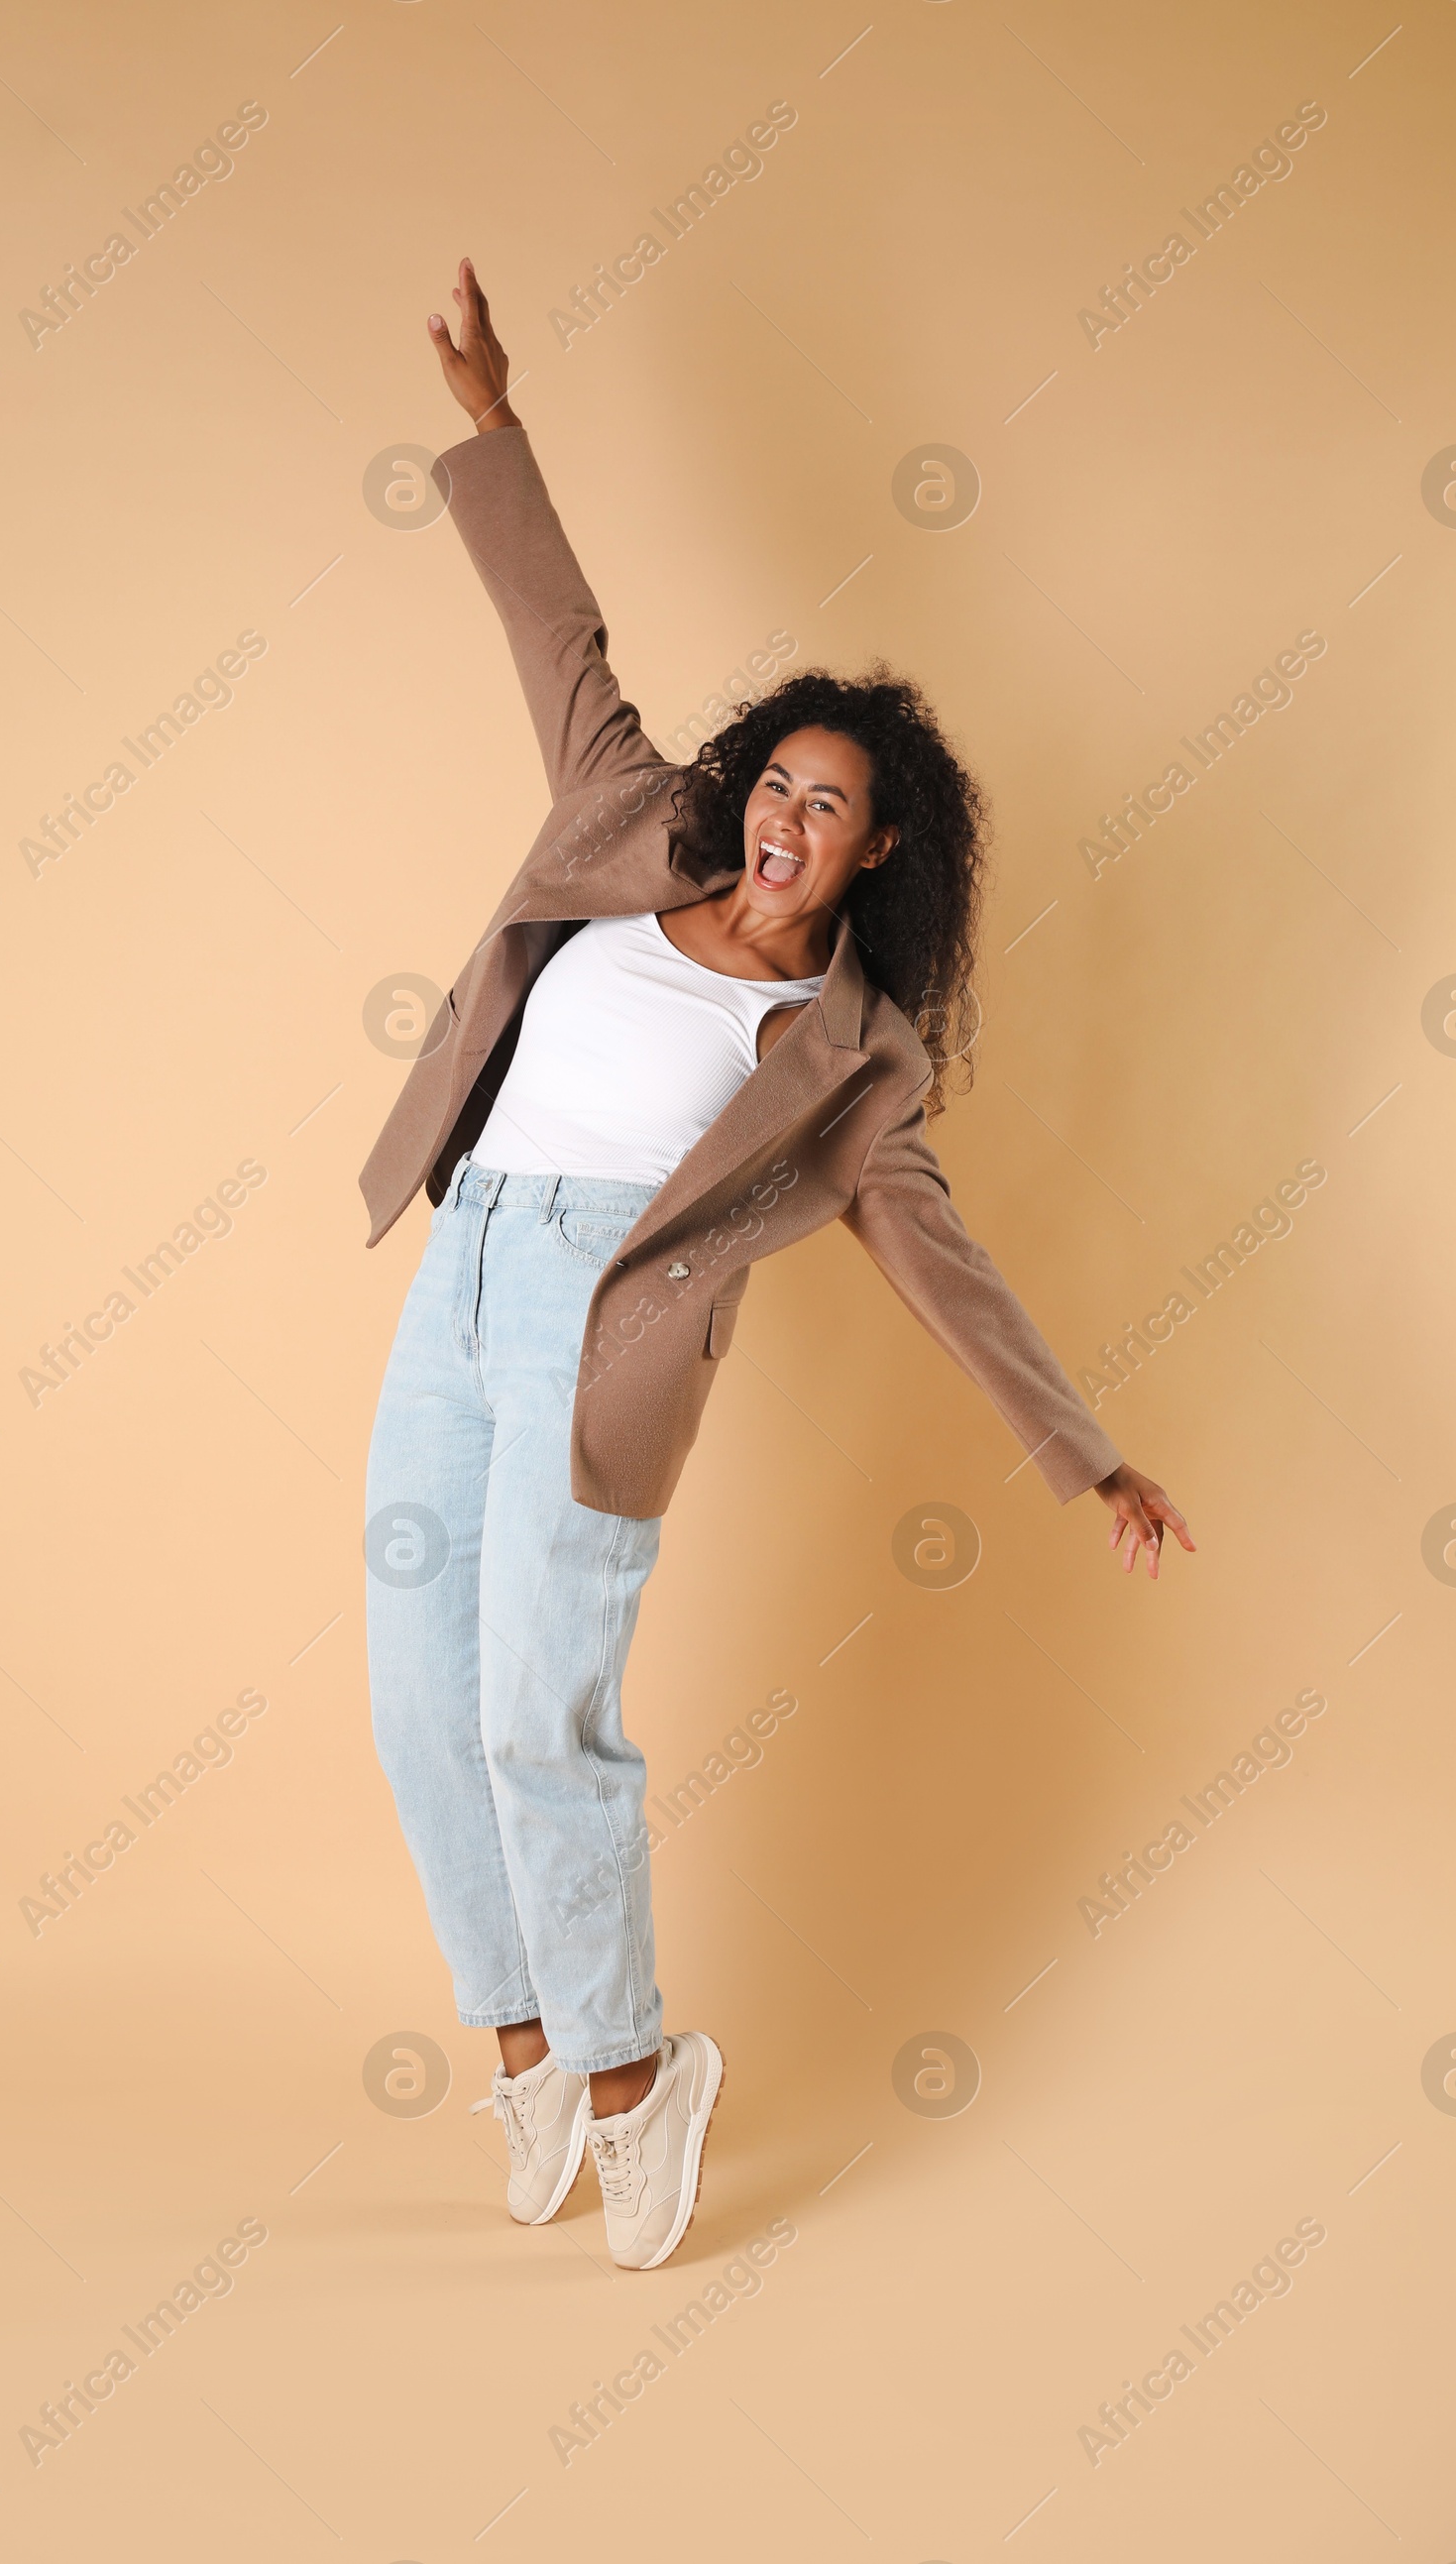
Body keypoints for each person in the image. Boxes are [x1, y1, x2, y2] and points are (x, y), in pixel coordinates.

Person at [362, 260, 1194, 2273]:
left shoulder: (848, 1059)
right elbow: (553, 627)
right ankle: (526, 2044)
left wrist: (1080, 1453)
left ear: (877, 855)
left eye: (828, 809)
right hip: (460, 1271)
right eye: (777, 784)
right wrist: (490, 418)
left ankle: (640, 2077)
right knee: (414, 1704)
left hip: (599, 1332)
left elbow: (941, 1265)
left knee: (536, 1718)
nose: (781, 821)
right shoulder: (633, 822)